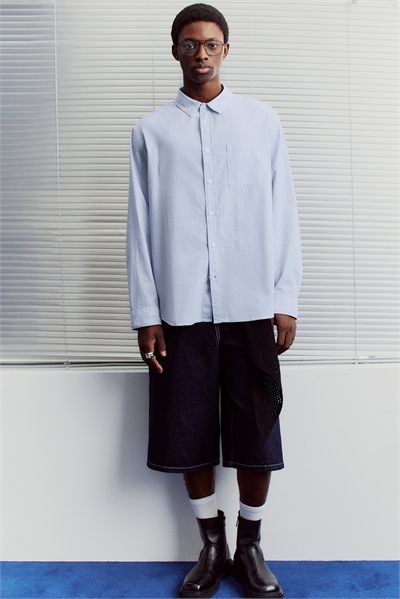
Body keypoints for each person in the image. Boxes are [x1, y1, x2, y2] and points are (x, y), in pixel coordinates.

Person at [126, 4, 302, 597]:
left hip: (251, 306)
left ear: (226, 49)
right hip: (180, 312)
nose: (200, 53)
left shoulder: (261, 122)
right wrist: (146, 313)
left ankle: (250, 545)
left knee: (258, 431)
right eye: (189, 43)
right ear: (174, 50)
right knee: (187, 428)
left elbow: (283, 212)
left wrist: (285, 297)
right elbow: (139, 227)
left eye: (210, 43)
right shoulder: (151, 132)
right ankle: (211, 544)